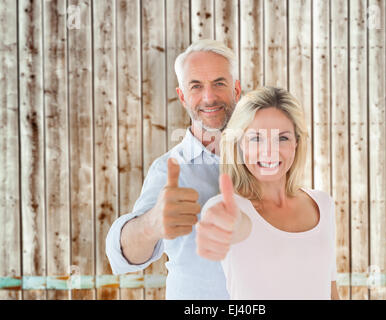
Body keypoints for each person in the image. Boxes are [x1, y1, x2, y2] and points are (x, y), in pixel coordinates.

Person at [105, 39, 241, 299]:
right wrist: (151, 225)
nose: (209, 97)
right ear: (182, 96)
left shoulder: (266, 160)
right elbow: (121, 258)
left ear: (236, 89)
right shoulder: (168, 170)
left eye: (219, 83)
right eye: (196, 86)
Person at [196, 86, 340, 299]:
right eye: (256, 139)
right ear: (239, 145)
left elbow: (332, 293)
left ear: (296, 143)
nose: (270, 151)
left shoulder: (322, 204)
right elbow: (235, 228)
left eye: (282, 138)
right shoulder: (226, 209)